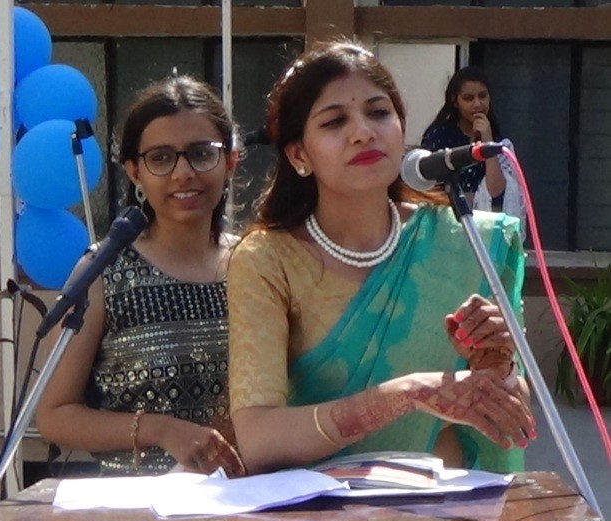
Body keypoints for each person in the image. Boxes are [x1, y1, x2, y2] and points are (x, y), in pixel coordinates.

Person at [227, 41, 534, 476]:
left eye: (378, 112)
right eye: (335, 121)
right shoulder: (269, 260)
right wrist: (405, 395)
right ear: (299, 155)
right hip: (319, 512)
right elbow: (259, 440)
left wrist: (497, 367)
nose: (363, 132)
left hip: (448, 508)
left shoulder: (469, 239)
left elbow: (514, 412)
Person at [36, 76, 245, 477]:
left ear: (230, 161)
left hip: (250, 496)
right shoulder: (104, 271)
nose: (183, 173)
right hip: (138, 503)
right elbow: (54, 415)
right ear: (134, 171)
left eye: (202, 154)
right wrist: (160, 430)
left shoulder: (256, 264)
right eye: (161, 158)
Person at [421, 66, 526, 236]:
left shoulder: (500, 143)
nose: (477, 104)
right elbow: (427, 185)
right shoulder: (439, 136)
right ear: (455, 101)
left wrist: (487, 139)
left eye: (482, 96)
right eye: (468, 98)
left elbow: (495, 191)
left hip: (485, 228)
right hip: (447, 225)